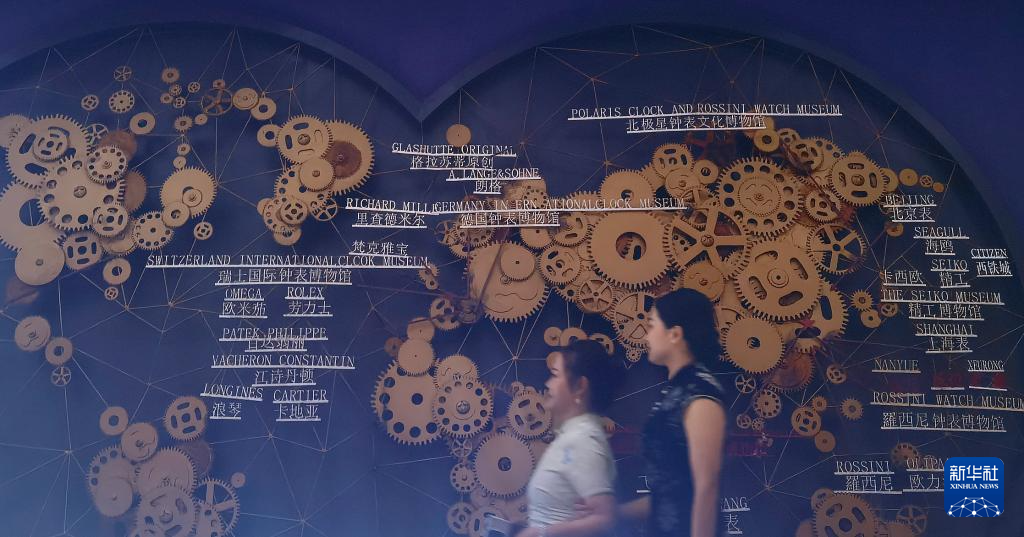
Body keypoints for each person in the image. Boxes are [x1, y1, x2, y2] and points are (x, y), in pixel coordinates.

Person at [620, 287, 727, 537]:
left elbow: (706, 487)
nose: (646, 335)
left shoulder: (701, 394)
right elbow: (668, 492)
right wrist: (613, 514)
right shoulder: (675, 391)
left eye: (651, 325)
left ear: (675, 334)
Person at [516, 338, 622, 537]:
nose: (548, 384)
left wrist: (540, 533)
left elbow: (605, 518)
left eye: (555, 375)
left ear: (580, 386)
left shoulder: (584, 440)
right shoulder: (572, 436)